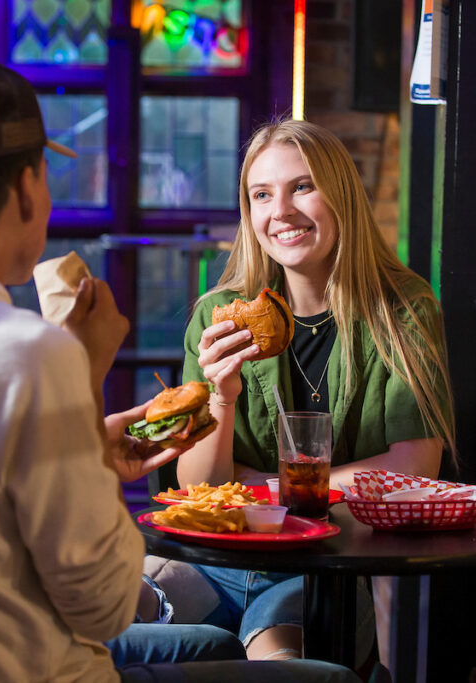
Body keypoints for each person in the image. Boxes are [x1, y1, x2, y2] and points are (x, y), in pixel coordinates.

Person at [0, 54, 360, 683]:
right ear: (29, 190)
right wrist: (78, 385)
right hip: (32, 670)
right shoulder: (31, 355)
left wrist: (85, 446)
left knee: (212, 643)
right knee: (331, 679)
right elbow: (106, 603)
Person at [150, 118, 456, 667]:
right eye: (261, 195)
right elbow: (197, 485)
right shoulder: (216, 316)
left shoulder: (402, 307)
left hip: (323, 565)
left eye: (303, 187)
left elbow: (415, 467)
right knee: (122, 633)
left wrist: (262, 487)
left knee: (279, 668)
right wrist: (221, 394)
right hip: (216, 560)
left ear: (341, 197)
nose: (280, 212)